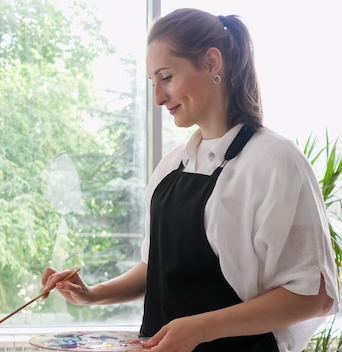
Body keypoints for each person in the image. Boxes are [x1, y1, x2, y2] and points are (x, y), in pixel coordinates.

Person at [41, 8, 339, 352]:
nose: (158, 98)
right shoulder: (171, 167)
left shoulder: (275, 161)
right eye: (153, 83)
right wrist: (92, 294)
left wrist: (202, 329)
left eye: (166, 78)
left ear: (212, 62)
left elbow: (314, 297)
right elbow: (156, 269)